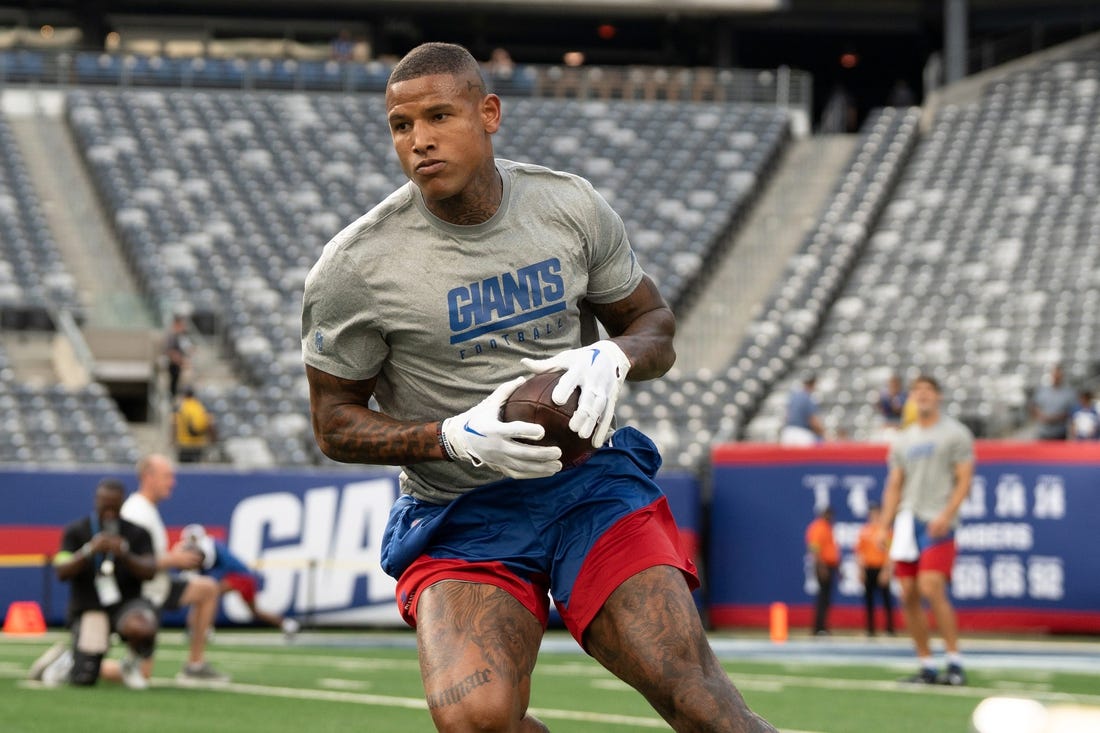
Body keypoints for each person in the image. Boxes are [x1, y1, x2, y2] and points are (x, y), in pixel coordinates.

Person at [301, 42, 776, 733]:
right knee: (477, 721)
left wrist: (616, 356)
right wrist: (452, 436)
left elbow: (652, 323)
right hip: (462, 511)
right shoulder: (356, 265)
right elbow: (333, 422)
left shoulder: (566, 204)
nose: (420, 140)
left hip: (588, 485)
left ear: (489, 113)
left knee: (700, 699)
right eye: (402, 126)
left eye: (439, 116)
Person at [879, 375, 975, 685]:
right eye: (916, 390)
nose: (921, 395)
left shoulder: (955, 434)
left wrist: (948, 513)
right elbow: (895, 484)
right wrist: (884, 524)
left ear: (938, 396)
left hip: (937, 519)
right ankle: (926, 664)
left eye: (927, 390)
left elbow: (964, 479)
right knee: (907, 593)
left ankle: (954, 661)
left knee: (931, 586)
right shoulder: (903, 439)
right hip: (908, 520)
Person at [28, 478, 158, 690]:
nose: (108, 512)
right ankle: (64, 660)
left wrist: (125, 554)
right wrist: (89, 551)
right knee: (84, 678)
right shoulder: (77, 531)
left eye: (114, 506)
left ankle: (130, 664)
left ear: (122, 503)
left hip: (125, 605)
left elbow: (150, 570)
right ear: (96, 501)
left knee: (143, 626)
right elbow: (61, 570)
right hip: (90, 607)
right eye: (104, 505)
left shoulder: (136, 533)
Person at [121, 454, 229, 682]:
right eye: (167, 476)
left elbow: (150, 554)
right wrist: (174, 560)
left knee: (207, 588)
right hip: (143, 594)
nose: (172, 482)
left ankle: (195, 664)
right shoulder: (136, 512)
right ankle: (77, 663)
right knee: (140, 675)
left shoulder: (146, 508)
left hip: (159, 585)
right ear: (148, 477)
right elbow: (132, 561)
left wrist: (175, 556)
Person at [178, 523, 300, 637]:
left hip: (240, 577)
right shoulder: (203, 548)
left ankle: (203, 628)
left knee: (208, 593)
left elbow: (223, 568)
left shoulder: (210, 546)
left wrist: (209, 579)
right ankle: (287, 624)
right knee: (255, 612)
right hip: (242, 577)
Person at [854, 502, 894, 636]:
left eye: (877, 513)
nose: (875, 516)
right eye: (872, 513)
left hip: (881, 567)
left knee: (886, 599)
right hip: (868, 568)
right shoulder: (864, 531)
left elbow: (890, 552)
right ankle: (870, 629)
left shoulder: (886, 531)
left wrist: (887, 571)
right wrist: (860, 571)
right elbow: (859, 552)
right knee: (868, 600)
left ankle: (889, 628)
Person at [804, 506, 838, 636]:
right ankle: (819, 627)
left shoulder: (827, 527)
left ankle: (822, 626)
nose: (831, 518)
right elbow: (814, 548)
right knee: (823, 598)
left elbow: (831, 549)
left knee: (826, 599)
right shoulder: (818, 527)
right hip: (823, 565)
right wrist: (821, 566)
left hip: (829, 565)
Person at [1029, 363, 1076, 440]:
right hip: (1043, 433)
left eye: (1058, 375)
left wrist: (1057, 417)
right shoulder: (1042, 390)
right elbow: (1034, 406)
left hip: (1060, 433)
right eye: (1054, 375)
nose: (1056, 377)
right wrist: (1041, 415)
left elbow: (1072, 411)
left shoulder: (1068, 393)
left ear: (1062, 376)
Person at [174, 386, 216, 463]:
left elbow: (175, 424)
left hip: (184, 445)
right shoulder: (200, 407)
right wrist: (212, 440)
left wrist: (173, 440)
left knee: (185, 471)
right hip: (199, 445)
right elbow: (210, 423)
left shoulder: (182, 407)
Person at [780, 372, 825, 445]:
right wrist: (823, 433)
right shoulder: (808, 398)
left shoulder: (793, 396)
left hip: (787, 433)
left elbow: (786, 416)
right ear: (813, 384)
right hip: (802, 435)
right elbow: (813, 421)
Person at [164, 314, 192, 401]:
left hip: (180, 367)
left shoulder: (181, 337)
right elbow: (170, 352)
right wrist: (182, 361)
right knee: (173, 389)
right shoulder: (171, 336)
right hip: (174, 367)